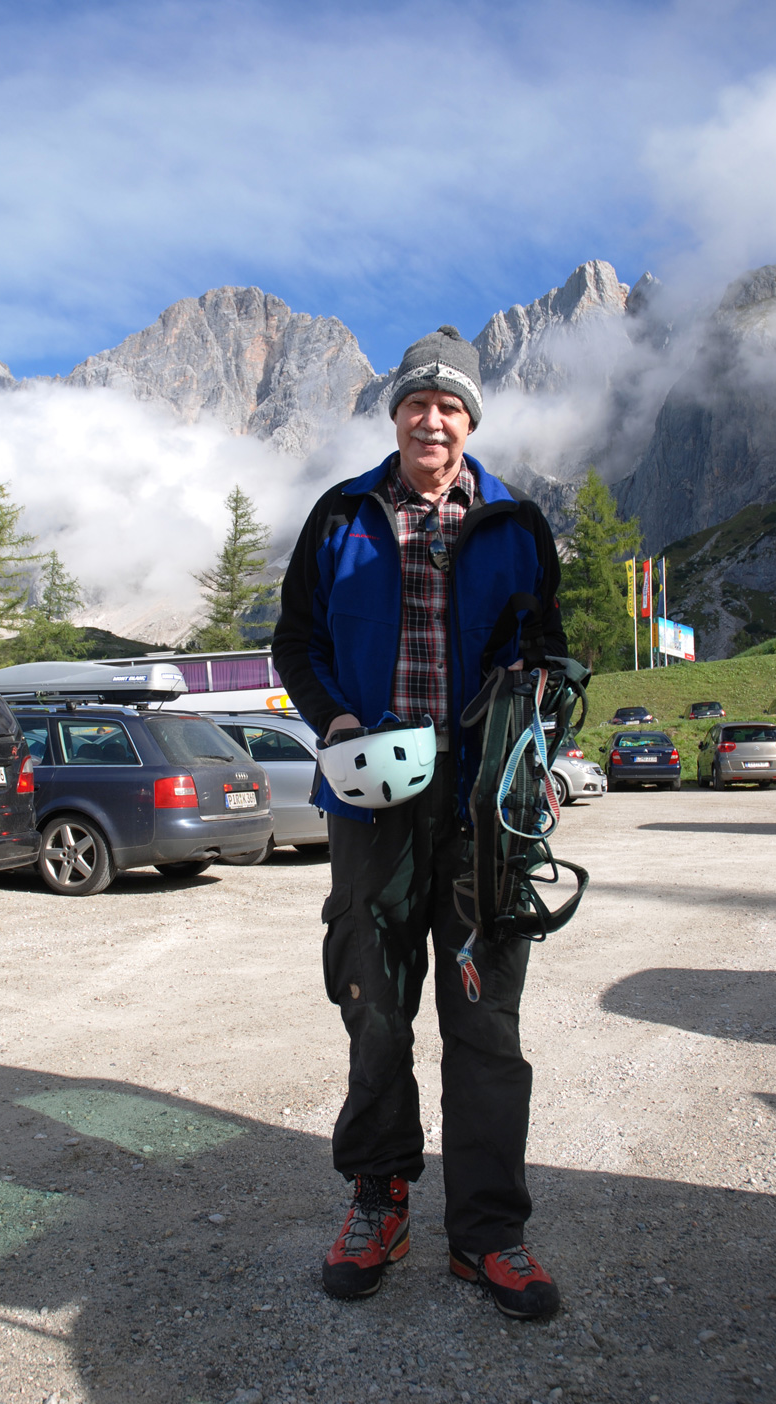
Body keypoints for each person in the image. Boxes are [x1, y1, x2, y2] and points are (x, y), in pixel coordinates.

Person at [271, 326, 566, 1320]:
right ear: (393, 415)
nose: (430, 418)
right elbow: (295, 644)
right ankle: (378, 1200)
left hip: (487, 813)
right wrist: (335, 719)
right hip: (371, 800)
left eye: (450, 406)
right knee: (374, 1005)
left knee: (485, 1020)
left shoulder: (518, 525)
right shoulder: (342, 516)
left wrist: (535, 733)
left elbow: (547, 651)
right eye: (415, 403)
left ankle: (488, 1234)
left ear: (468, 421)